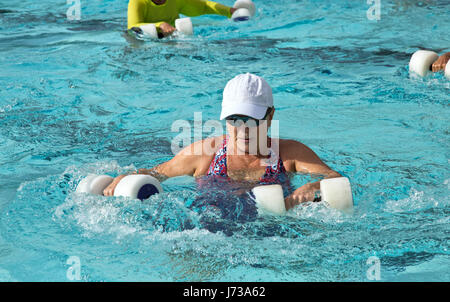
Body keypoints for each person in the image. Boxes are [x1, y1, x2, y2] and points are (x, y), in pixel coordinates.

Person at [104, 73, 343, 210]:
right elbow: (157, 174)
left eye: (252, 119)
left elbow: (335, 179)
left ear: (270, 116)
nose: (242, 129)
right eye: (234, 119)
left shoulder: (289, 154)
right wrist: (126, 178)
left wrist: (308, 190)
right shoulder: (204, 154)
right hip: (210, 233)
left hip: (274, 233)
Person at [128, 0, 237, 37]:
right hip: (143, 40)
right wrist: (160, 25)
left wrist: (229, 11)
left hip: (173, 37)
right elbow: (133, 27)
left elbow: (204, 7)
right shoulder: (137, 2)